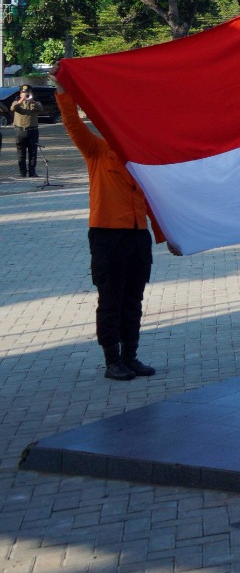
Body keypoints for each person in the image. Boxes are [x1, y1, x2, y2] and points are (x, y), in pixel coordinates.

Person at [56, 89, 168, 380]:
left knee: (133, 299)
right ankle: (112, 361)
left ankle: (131, 356)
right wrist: (63, 93)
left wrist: (169, 236)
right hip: (107, 235)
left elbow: (155, 204)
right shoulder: (97, 150)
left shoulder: (142, 161)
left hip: (137, 236)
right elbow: (73, 125)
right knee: (111, 300)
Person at [10, 85, 43, 177]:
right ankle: (22, 173)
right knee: (21, 153)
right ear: (20, 93)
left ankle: (32, 172)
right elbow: (12, 108)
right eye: (24, 92)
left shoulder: (34, 102)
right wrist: (21, 100)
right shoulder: (16, 102)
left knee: (33, 152)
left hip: (33, 130)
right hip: (20, 131)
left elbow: (41, 109)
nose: (26, 94)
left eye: (28, 92)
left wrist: (32, 101)